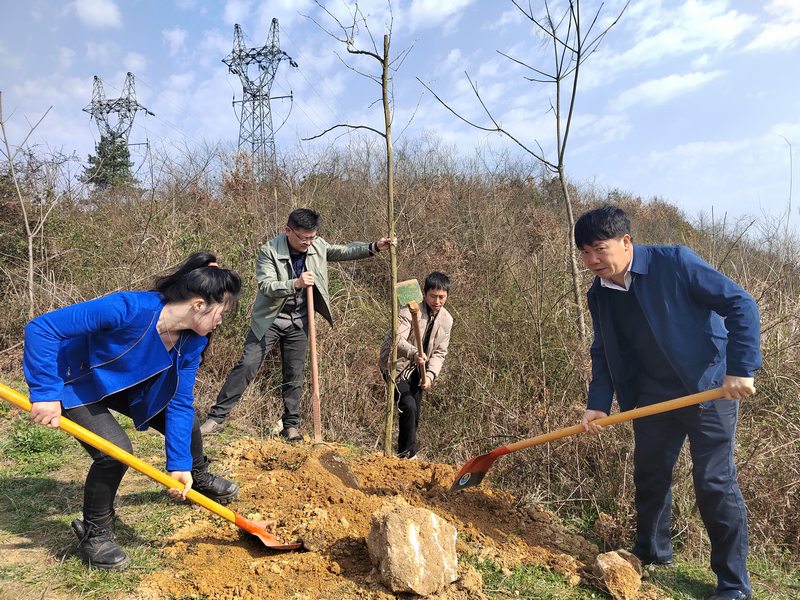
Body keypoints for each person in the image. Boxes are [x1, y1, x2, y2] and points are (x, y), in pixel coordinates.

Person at [575, 205, 760, 600]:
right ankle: (652, 551)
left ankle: (733, 583)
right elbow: (603, 350)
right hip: (652, 396)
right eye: (584, 253)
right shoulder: (599, 294)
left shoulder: (675, 262)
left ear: (626, 242)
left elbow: (740, 304)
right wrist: (598, 402)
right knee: (650, 474)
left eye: (598, 249)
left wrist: (741, 367)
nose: (591, 260)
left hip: (708, 389)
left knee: (714, 483)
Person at [23, 252, 243, 571]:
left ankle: (196, 474)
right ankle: (95, 536)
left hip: (125, 384)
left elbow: (180, 401)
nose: (221, 319)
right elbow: (42, 329)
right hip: (75, 381)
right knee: (114, 453)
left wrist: (178, 463)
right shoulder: (127, 308)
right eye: (222, 311)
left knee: (188, 419)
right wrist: (45, 392)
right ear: (198, 304)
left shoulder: (193, 341)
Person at [201, 208, 393, 440]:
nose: (308, 242)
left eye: (312, 237)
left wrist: (374, 247)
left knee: (294, 373)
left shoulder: (317, 245)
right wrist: (296, 283)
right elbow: (267, 286)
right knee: (248, 364)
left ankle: (290, 425)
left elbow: (342, 250)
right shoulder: (269, 251)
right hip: (269, 319)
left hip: (300, 321)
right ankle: (216, 418)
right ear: (288, 231)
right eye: (303, 238)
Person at [379, 272, 453, 459]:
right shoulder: (409, 310)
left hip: (421, 370)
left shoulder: (447, 319)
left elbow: (439, 353)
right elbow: (397, 340)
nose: (437, 301)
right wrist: (414, 353)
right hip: (398, 364)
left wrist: (429, 376)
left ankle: (405, 453)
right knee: (408, 405)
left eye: (441, 297)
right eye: (433, 296)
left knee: (415, 412)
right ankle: (407, 454)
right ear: (425, 294)